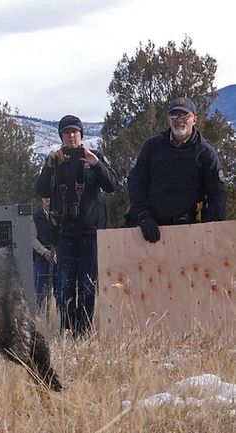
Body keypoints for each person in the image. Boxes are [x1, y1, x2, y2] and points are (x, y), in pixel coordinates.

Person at [35, 114, 118, 337]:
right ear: (61, 136)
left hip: (90, 232)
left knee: (88, 285)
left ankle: (85, 331)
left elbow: (112, 185)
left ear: (81, 135)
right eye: (66, 133)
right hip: (64, 233)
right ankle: (67, 329)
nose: (71, 136)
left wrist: (97, 165)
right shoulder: (55, 160)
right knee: (65, 285)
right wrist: (49, 168)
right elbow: (42, 190)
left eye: (75, 132)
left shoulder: (95, 156)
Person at [127, 97, 226, 243]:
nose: (179, 120)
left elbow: (217, 195)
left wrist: (210, 232)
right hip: (152, 232)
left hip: (192, 233)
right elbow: (136, 182)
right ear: (168, 119)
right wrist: (143, 216)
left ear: (194, 119)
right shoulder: (152, 148)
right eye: (174, 115)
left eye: (185, 115)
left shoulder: (206, 154)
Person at [32, 197, 59, 313]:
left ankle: (61, 322)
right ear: (42, 199)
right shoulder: (35, 217)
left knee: (60, 292)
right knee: (38, 292)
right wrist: (44, 252)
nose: (48, 199)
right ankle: (37, 321)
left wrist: (56, 253)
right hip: (41, 258)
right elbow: (32, 238)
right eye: (45, 197)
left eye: (49, 196)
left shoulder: (60, 215)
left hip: (59, 258)